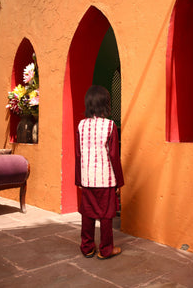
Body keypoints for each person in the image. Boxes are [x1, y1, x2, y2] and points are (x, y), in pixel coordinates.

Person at [75, 85, 124, 259]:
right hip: (106, 179)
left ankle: (87, 247)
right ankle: (106, 249)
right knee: (106, 215)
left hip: (87, 179)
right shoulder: (110, 126)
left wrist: (79, 180)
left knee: (87, 213)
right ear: (105, 104)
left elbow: (79, 155)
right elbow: (114, 156)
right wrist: (119, 182)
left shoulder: (81, 125)